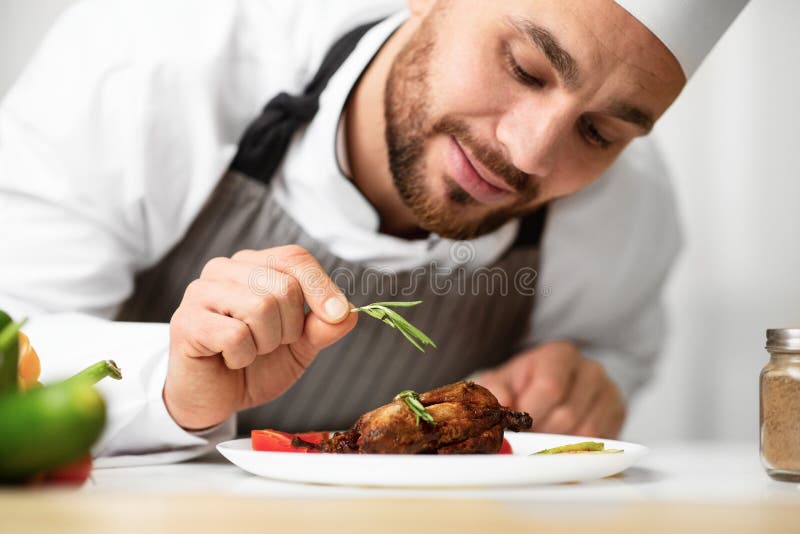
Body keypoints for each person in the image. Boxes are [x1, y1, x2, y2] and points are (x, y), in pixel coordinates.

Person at [0, 0, 747, 464]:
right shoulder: (148, 68)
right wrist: (170, 384)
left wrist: (587, 380)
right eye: (524, 68)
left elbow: (619, 347)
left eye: (601, 131)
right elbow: (11, 339)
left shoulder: (625, 211)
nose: (530, 153)